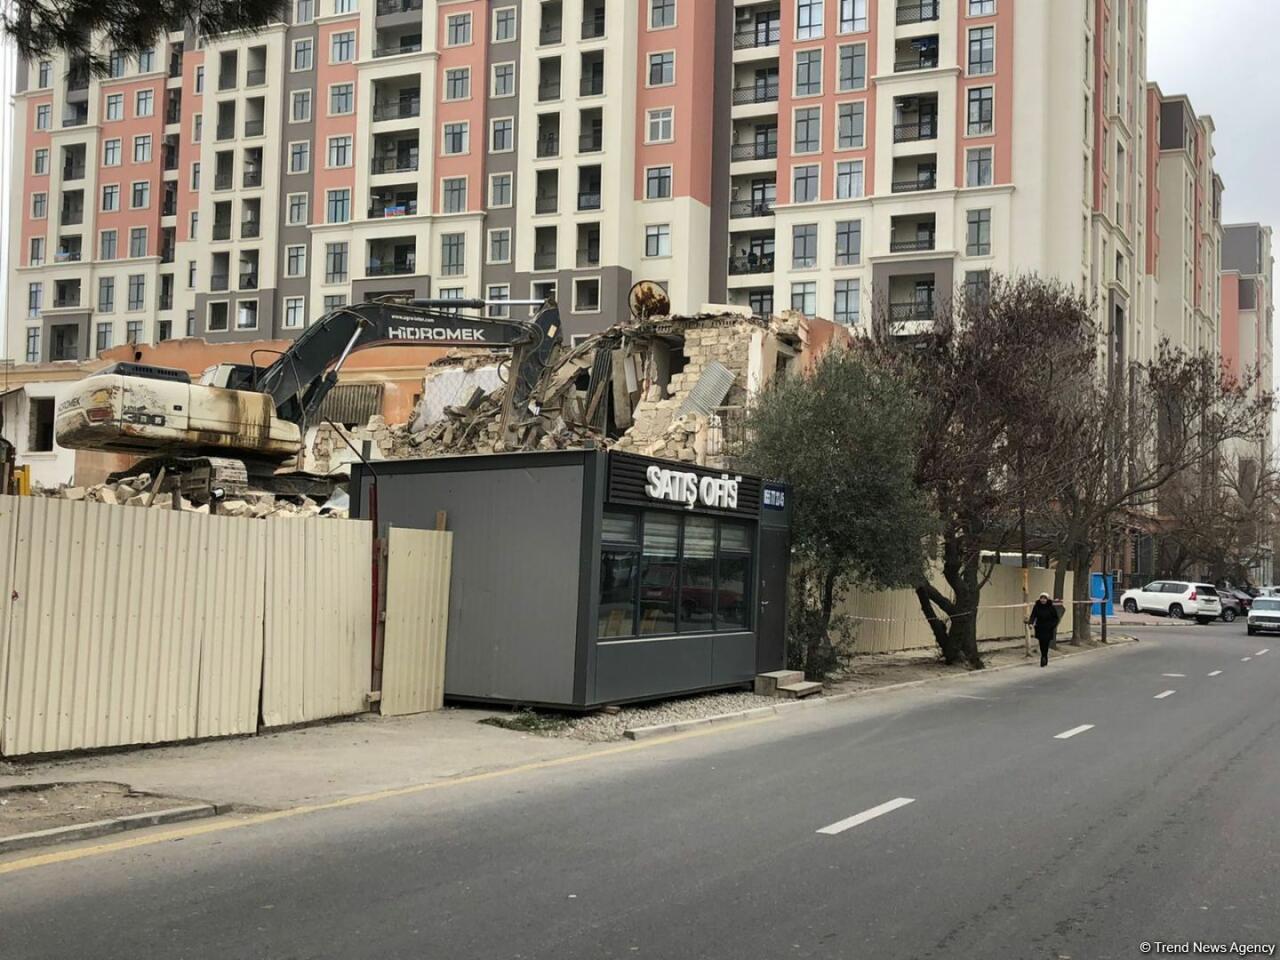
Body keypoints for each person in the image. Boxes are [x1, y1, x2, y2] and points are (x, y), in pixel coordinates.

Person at [1028, 592, 1060, 667]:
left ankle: (1044, 656)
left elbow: (1056, 618)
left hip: (1048, 628)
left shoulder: (1051, 607)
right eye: (1041, 598)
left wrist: (1052, 625)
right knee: (1041, 642)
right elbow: (1033, 615)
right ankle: (1043, 656)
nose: (1043, 600)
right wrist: (1031, 623)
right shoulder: (1037, 606)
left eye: (1044, 599)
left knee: (1046, 642)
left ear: (1047, 599)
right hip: (1040, 627)